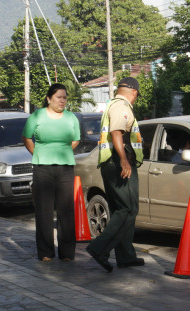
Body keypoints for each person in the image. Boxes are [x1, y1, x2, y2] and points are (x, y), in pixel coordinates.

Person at [86, 77, 145, 272]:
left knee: (122, 209)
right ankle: (99, 248)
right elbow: (117, 133)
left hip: (111, 163)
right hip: (118, 163)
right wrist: (123, 159)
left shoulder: (113, 104)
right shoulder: (122, 106)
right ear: (134, 92)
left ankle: (126, 256)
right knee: (128, 209)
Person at [22, 83, 81, 261]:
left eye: (64, 97)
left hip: (65, 168)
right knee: (44, 211)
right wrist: (39, 153)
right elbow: (26, 137)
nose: (62, 101)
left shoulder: (71, 118)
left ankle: (67, 253)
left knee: (66, 211)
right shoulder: (37, 115)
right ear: (49, 98)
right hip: (43, 168)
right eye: (58, 97)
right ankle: (46, 252)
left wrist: (61, 151)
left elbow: (75, 140)